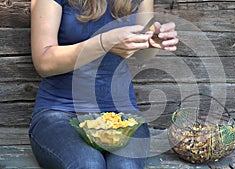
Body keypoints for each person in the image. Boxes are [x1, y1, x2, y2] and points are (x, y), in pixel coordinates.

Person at [29, 0, 178, 168]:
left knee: (125, 167)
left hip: (122, 115)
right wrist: (103, 43)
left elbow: (143, 55)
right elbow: (44, 62)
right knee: (89, 164)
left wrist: (154, 41)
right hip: (60, 111)